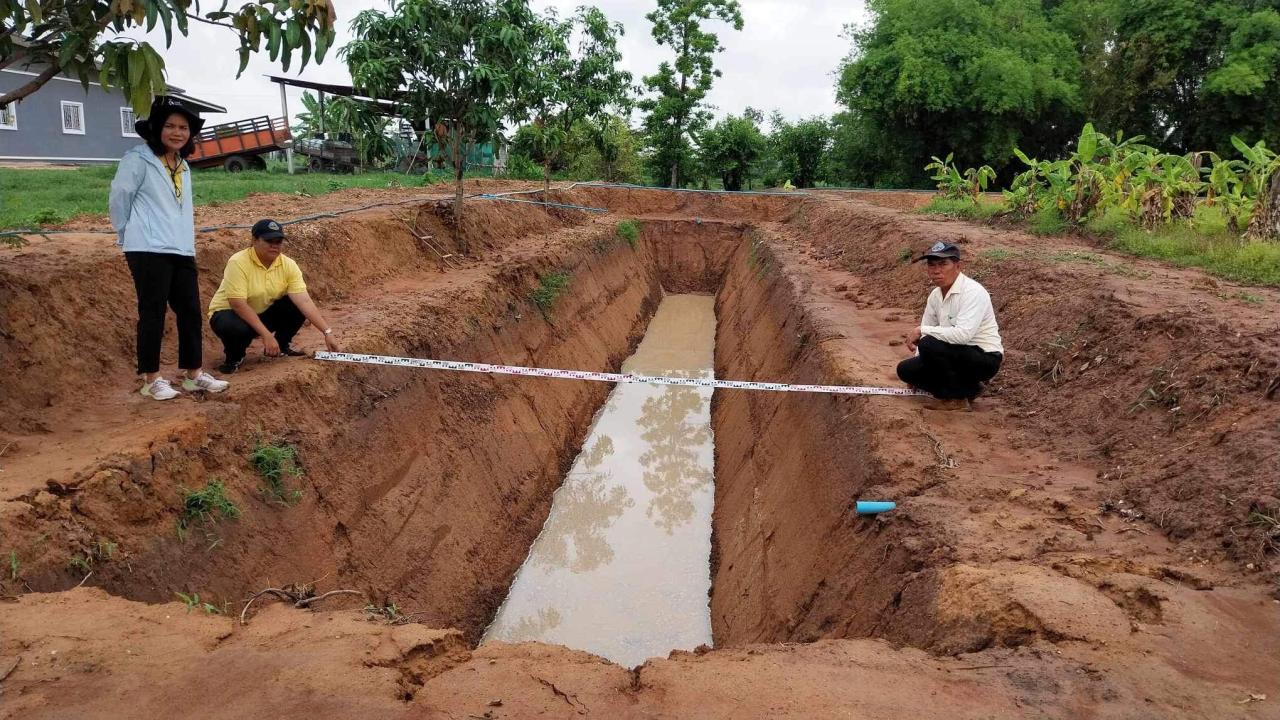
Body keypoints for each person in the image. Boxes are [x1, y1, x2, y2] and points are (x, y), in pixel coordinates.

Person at [110, 96, 230, 401]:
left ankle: (193, 374)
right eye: (170, 126)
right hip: (147, 248)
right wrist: (126, 233)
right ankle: (151, 379)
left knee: (190, 311)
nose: (177, 132)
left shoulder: (182, 165)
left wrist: (187, 243)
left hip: (180, 248)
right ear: (155, 128)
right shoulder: (137, 159)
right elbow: (120, 198)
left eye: (183, 127)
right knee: (152, 313)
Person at [207, 219, 340, 373]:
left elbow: (304, 300)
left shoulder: (288, 264)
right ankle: (234, 357)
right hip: (230, 314)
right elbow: (238, 304)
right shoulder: (238, 262)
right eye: (269, 241)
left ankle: (282, 346)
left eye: (279, 241)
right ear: (254, 240)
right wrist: (266, 335)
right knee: (233, 326)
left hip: (261, 313)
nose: (275, 245)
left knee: (295, 305)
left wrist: (327, 332)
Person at [897, 241, 1004, 403]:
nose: (937, 271)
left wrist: (921, 330)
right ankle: (970, 389)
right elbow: (929, 330)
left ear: (958, 266)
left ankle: (956, 398)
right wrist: (919, 364)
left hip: (983, 358)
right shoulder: (935, 295)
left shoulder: (973, 292)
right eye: (932, 265)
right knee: (905, 370)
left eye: (943, 264)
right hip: (953, 354)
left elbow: (962, 336)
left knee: (928, 343)